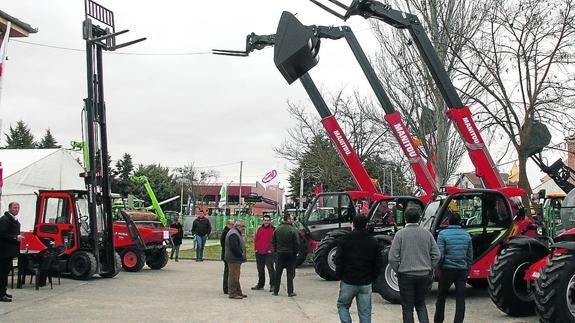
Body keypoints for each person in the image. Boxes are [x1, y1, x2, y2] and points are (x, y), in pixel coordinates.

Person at [389, 208, 440, 323]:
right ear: (419, 218)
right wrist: (430, 267)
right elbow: (437, 255)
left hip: (405, 275)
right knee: (421, 304)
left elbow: (392, 258)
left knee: (407, 308)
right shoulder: (427, 234)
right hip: (424, 275)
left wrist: (398, 270)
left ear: (405, 218)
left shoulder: (400, 235)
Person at [335, 215, 382, 323]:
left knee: (342, 305)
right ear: (366, 225)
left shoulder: (345, 239)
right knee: (365, 311)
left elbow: (338, 259)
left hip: (348, 280)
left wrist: (340, 275)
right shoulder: (372, 241)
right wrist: (372, 278)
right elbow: (378, 263)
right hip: (366, 282)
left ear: (353, 224)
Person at [434, 212, 473, 323]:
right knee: (460, 300)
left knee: (441, 298)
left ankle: (438, 321)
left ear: (448, 222)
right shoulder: (466, 235)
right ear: (460, 222)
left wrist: (439, 267)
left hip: (447, 269)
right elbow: (470, 255)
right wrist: (468, 267)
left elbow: (440, 255)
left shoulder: (443, 234)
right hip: (462, 270)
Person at [0, 202, 24, 302]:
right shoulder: (5, 219)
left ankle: (3, 292)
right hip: (3, 252)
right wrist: (15, 237)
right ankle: (1, 295)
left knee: (5, 273)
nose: (17, 209)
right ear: (9, 208)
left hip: (9, 252)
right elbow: (2, 233)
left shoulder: (13, 219)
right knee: (2, 273)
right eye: (14, 207)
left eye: (18, 208)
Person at [272, 213, 300, 297]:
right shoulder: (293, 229)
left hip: (279, 254)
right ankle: (290, 292)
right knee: (290, 274)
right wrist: (296, 252)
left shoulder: (277, 229)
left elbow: (273, 241)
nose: (293, 220)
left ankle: (276, 291)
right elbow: (297, 243)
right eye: (291, 219)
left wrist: (276, 251)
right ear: (288, 219)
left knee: (278, 273)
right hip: (290, 255)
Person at [252, 214, 276, 292]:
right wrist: (256, 249)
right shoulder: (260, 229)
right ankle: (260, 284)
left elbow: (274, 241)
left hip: (268, 253)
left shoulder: (273, 230)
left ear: (270, 221)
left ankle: (273, 285)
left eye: (267, 220)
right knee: (260, 269)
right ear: (263, 221)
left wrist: (271, 250)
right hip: (259, 252)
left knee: (271, 269)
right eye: (265, 220)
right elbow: (256, 239)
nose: (266, 222)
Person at [224, 220, 247, 300]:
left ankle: (238, 291)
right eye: (243, 226)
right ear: (238, 226)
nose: (243, 228)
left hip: (235, 258)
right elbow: (234, 247)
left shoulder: (235, 232)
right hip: (233, 258)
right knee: (233, 276)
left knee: (236, 276)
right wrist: (240, 255)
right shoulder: (233, 234)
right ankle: (232, 293)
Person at [220, 219, 234, 294]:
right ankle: (226, 288)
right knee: (227, 271)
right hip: (227, 254)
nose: (233, 226)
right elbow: (223, 243)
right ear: (228, 224)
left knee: (228, 271)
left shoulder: (228, 231)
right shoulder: (226, 232)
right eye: (232, 224)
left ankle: (227, 287)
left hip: (226, 254)